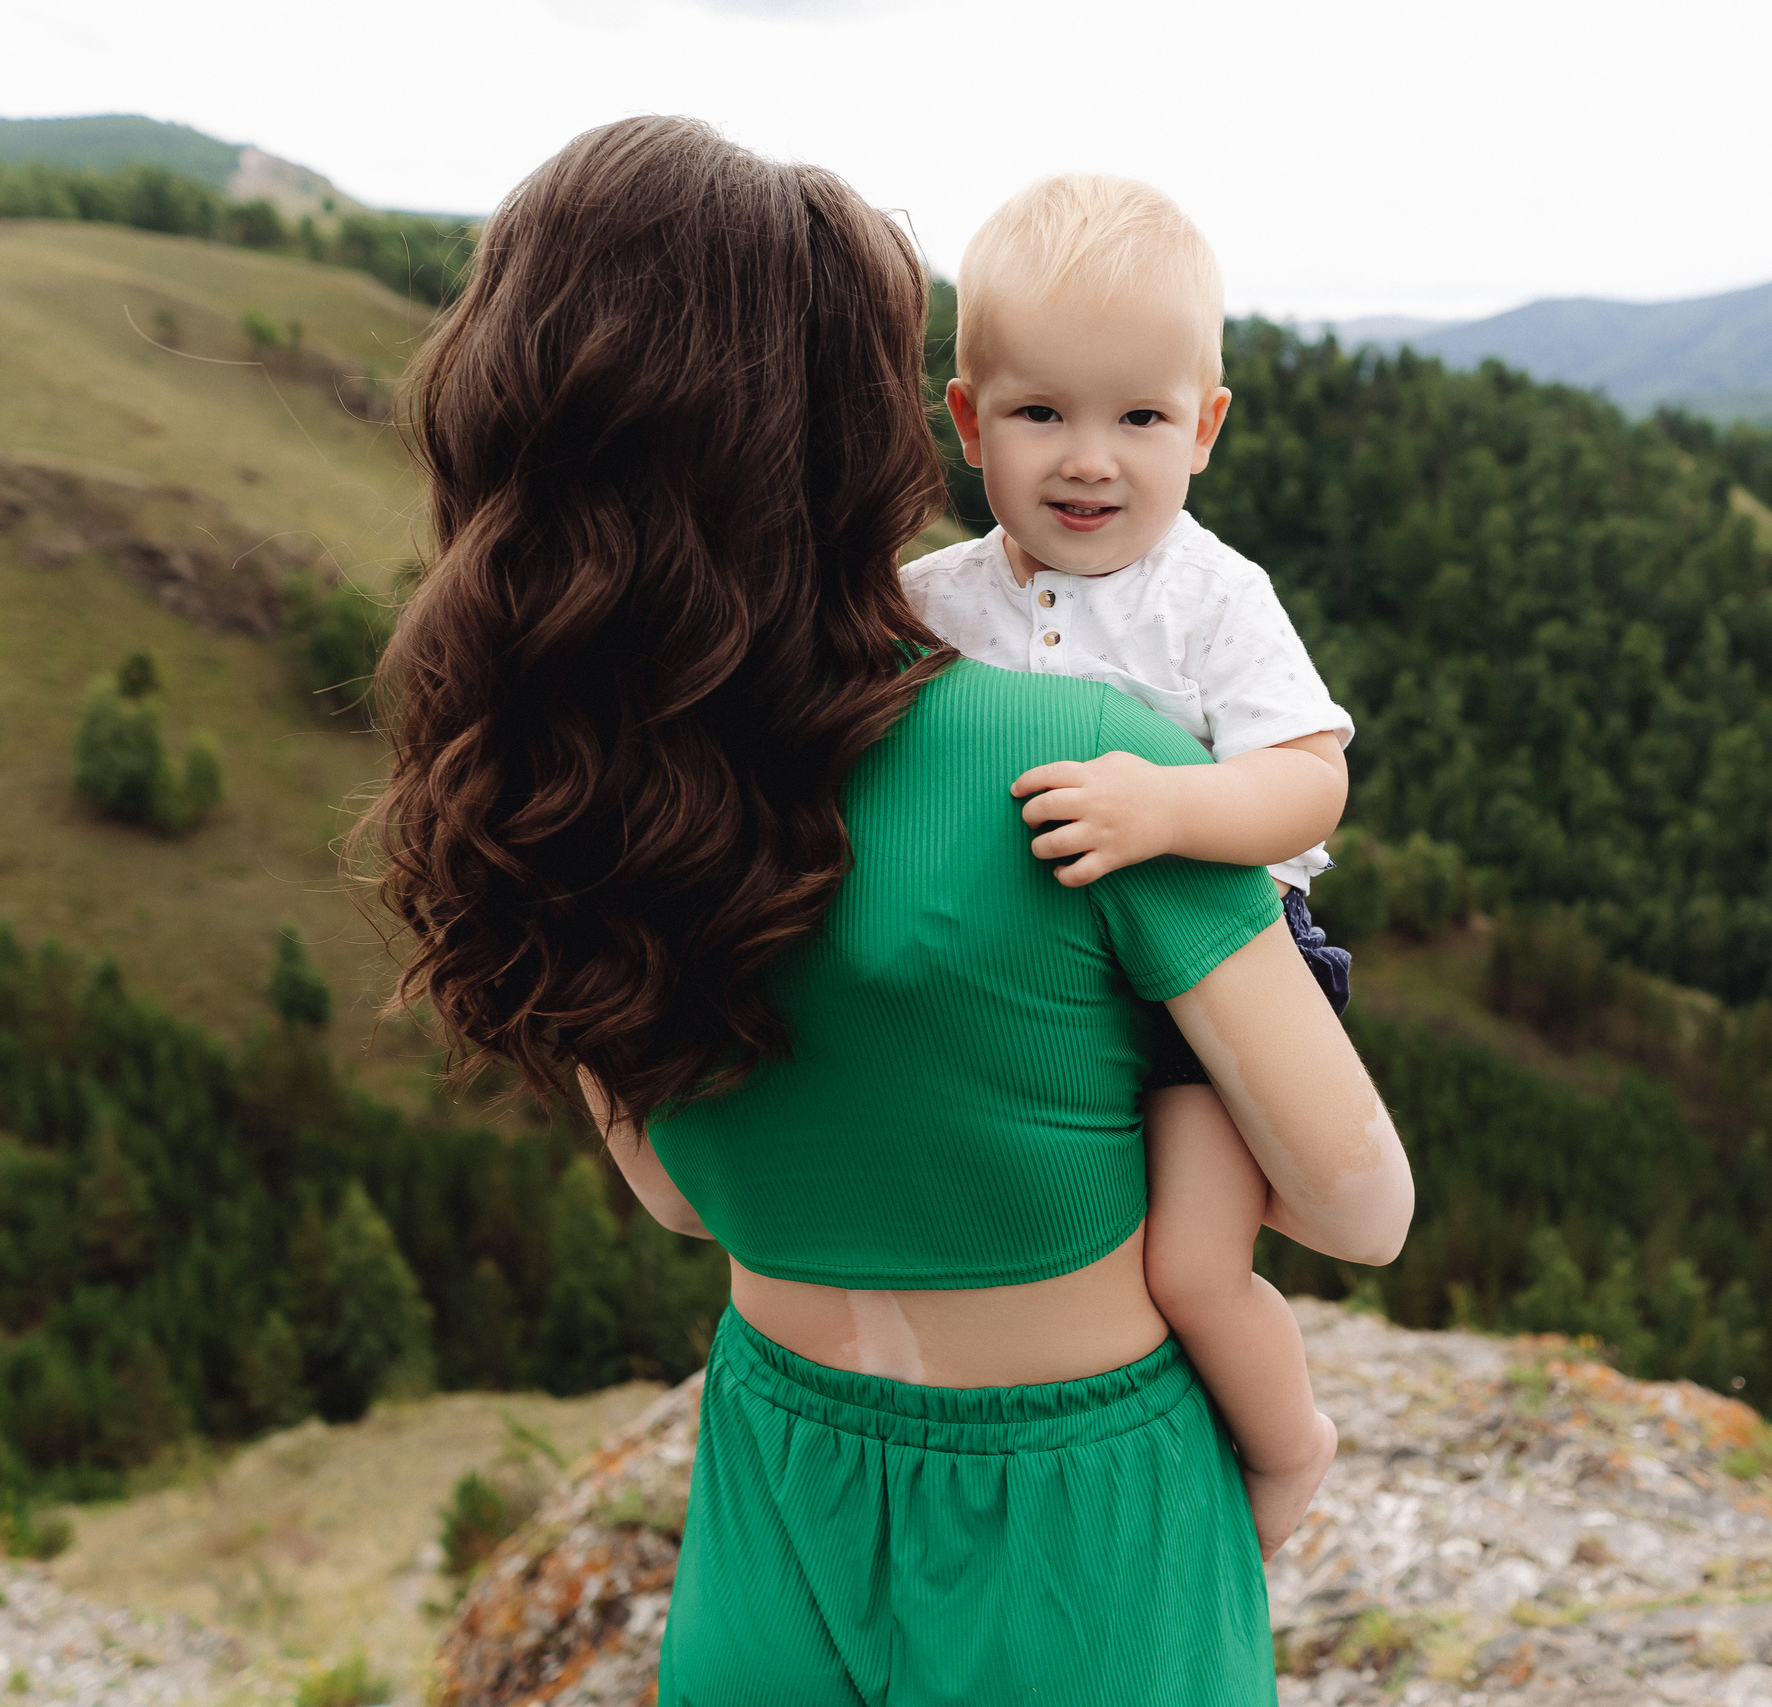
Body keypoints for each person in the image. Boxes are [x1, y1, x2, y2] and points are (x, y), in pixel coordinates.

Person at [361, 116, 1412, 1706]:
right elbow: (1360, 1211)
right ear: (863, 435)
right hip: (1084, 1519)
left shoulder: (573, 792)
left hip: (779, 1472)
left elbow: (683, 1200)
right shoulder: (1083, 761)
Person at [901, 172, 1358, 1561]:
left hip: (1216, 982)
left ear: (1204, 428)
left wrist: (1170, 807)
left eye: (1141, 419)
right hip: (1032, 987)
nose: (1089, 460)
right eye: (1041, 413)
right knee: (1059, 1256)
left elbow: (1310, 781)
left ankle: (1287, 1450)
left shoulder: (1212, 599)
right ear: (969, 420)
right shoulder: (929, 602)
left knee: (1191, 1267)